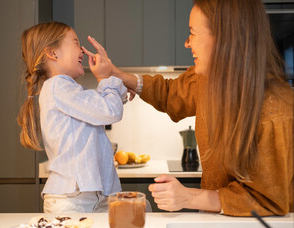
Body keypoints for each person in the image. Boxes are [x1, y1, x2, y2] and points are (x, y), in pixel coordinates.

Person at [83, 0, 293, 216]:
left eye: (192, 33)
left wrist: (188, 197)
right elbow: (171, 93)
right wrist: (115, 73)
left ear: (224, 38)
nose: (187, 43)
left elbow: (267, 201)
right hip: (221, 221)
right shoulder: (210, 80)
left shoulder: (275, 109)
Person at [17, 22, 127, 213]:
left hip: (82, 196)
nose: (82, 50)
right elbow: (109, 110)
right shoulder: (58, 87)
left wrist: (116, 89)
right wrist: (104, 79)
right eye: (75, 43)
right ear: (53, 53)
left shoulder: (66, 90)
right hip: (73, 200)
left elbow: (102, 104)